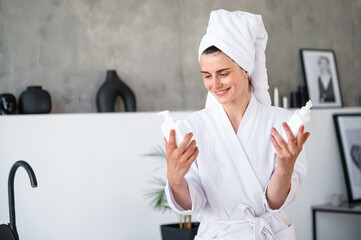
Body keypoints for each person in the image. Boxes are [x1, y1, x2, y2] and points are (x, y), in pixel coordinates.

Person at [164, 9, 310, 240]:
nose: (215, 84)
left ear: (245, 69)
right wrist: (174, 179)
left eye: (223, 73)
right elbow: (194, 203)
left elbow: (274, 202)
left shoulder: (282, 122)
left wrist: (284, 168)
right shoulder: (193, 126)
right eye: (207, 75)